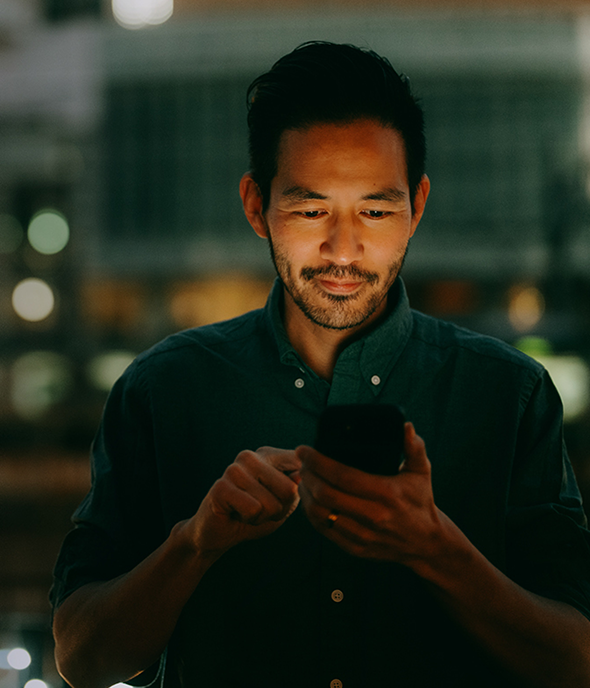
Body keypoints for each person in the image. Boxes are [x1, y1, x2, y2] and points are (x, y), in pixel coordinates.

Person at [50, 42, 590, 688]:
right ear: (257, 207)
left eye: (375, 210)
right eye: (311, 210)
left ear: (416, 208)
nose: (343, 247)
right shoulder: (163, 390)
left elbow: (577, 661)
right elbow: (81, 659)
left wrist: (435, 547)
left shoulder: (510, 396)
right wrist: (194, 543)